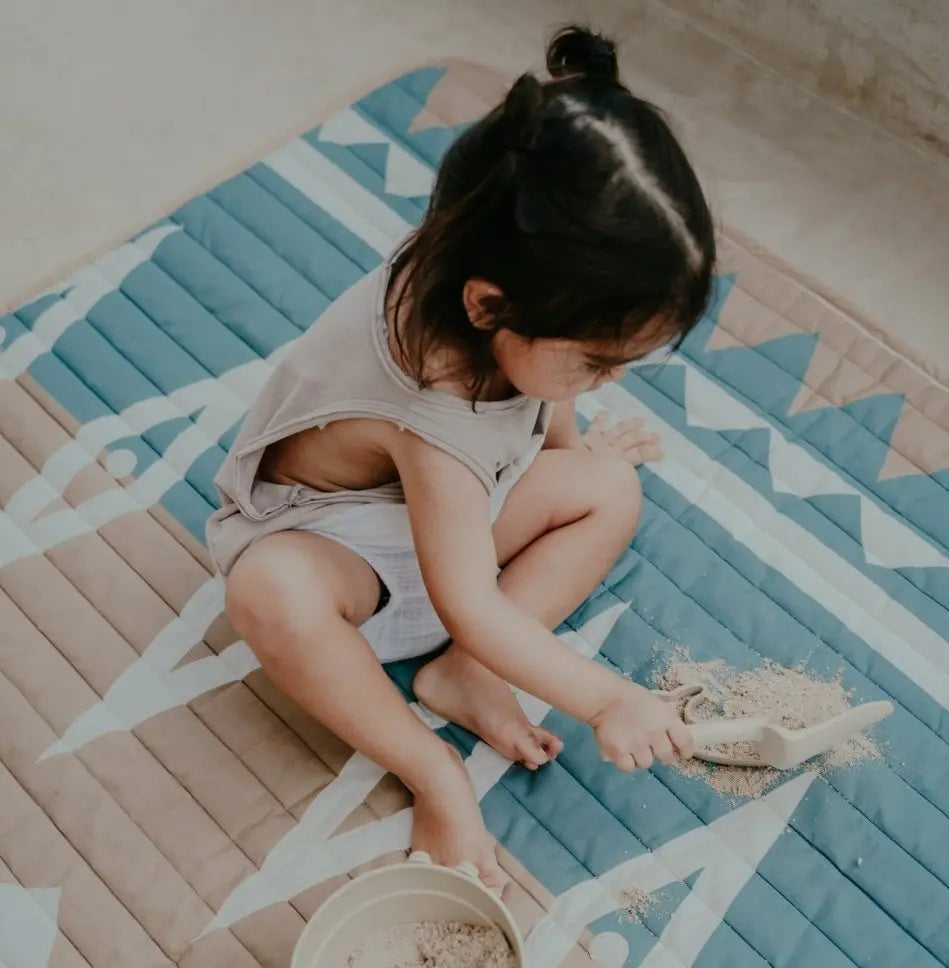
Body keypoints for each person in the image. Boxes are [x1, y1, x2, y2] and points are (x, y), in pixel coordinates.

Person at [208, 25, 717, 889]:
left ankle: (458, 677)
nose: (608, 380)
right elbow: (470, 599)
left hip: (438, 511)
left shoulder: (487, 266)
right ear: (489, 306)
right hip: (336, 543)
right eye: (598, 361)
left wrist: (564, 449)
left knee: (607, 484)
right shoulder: (430, 410)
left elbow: (538, 389)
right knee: (271, 595)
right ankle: (430, 769)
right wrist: (605, 698)